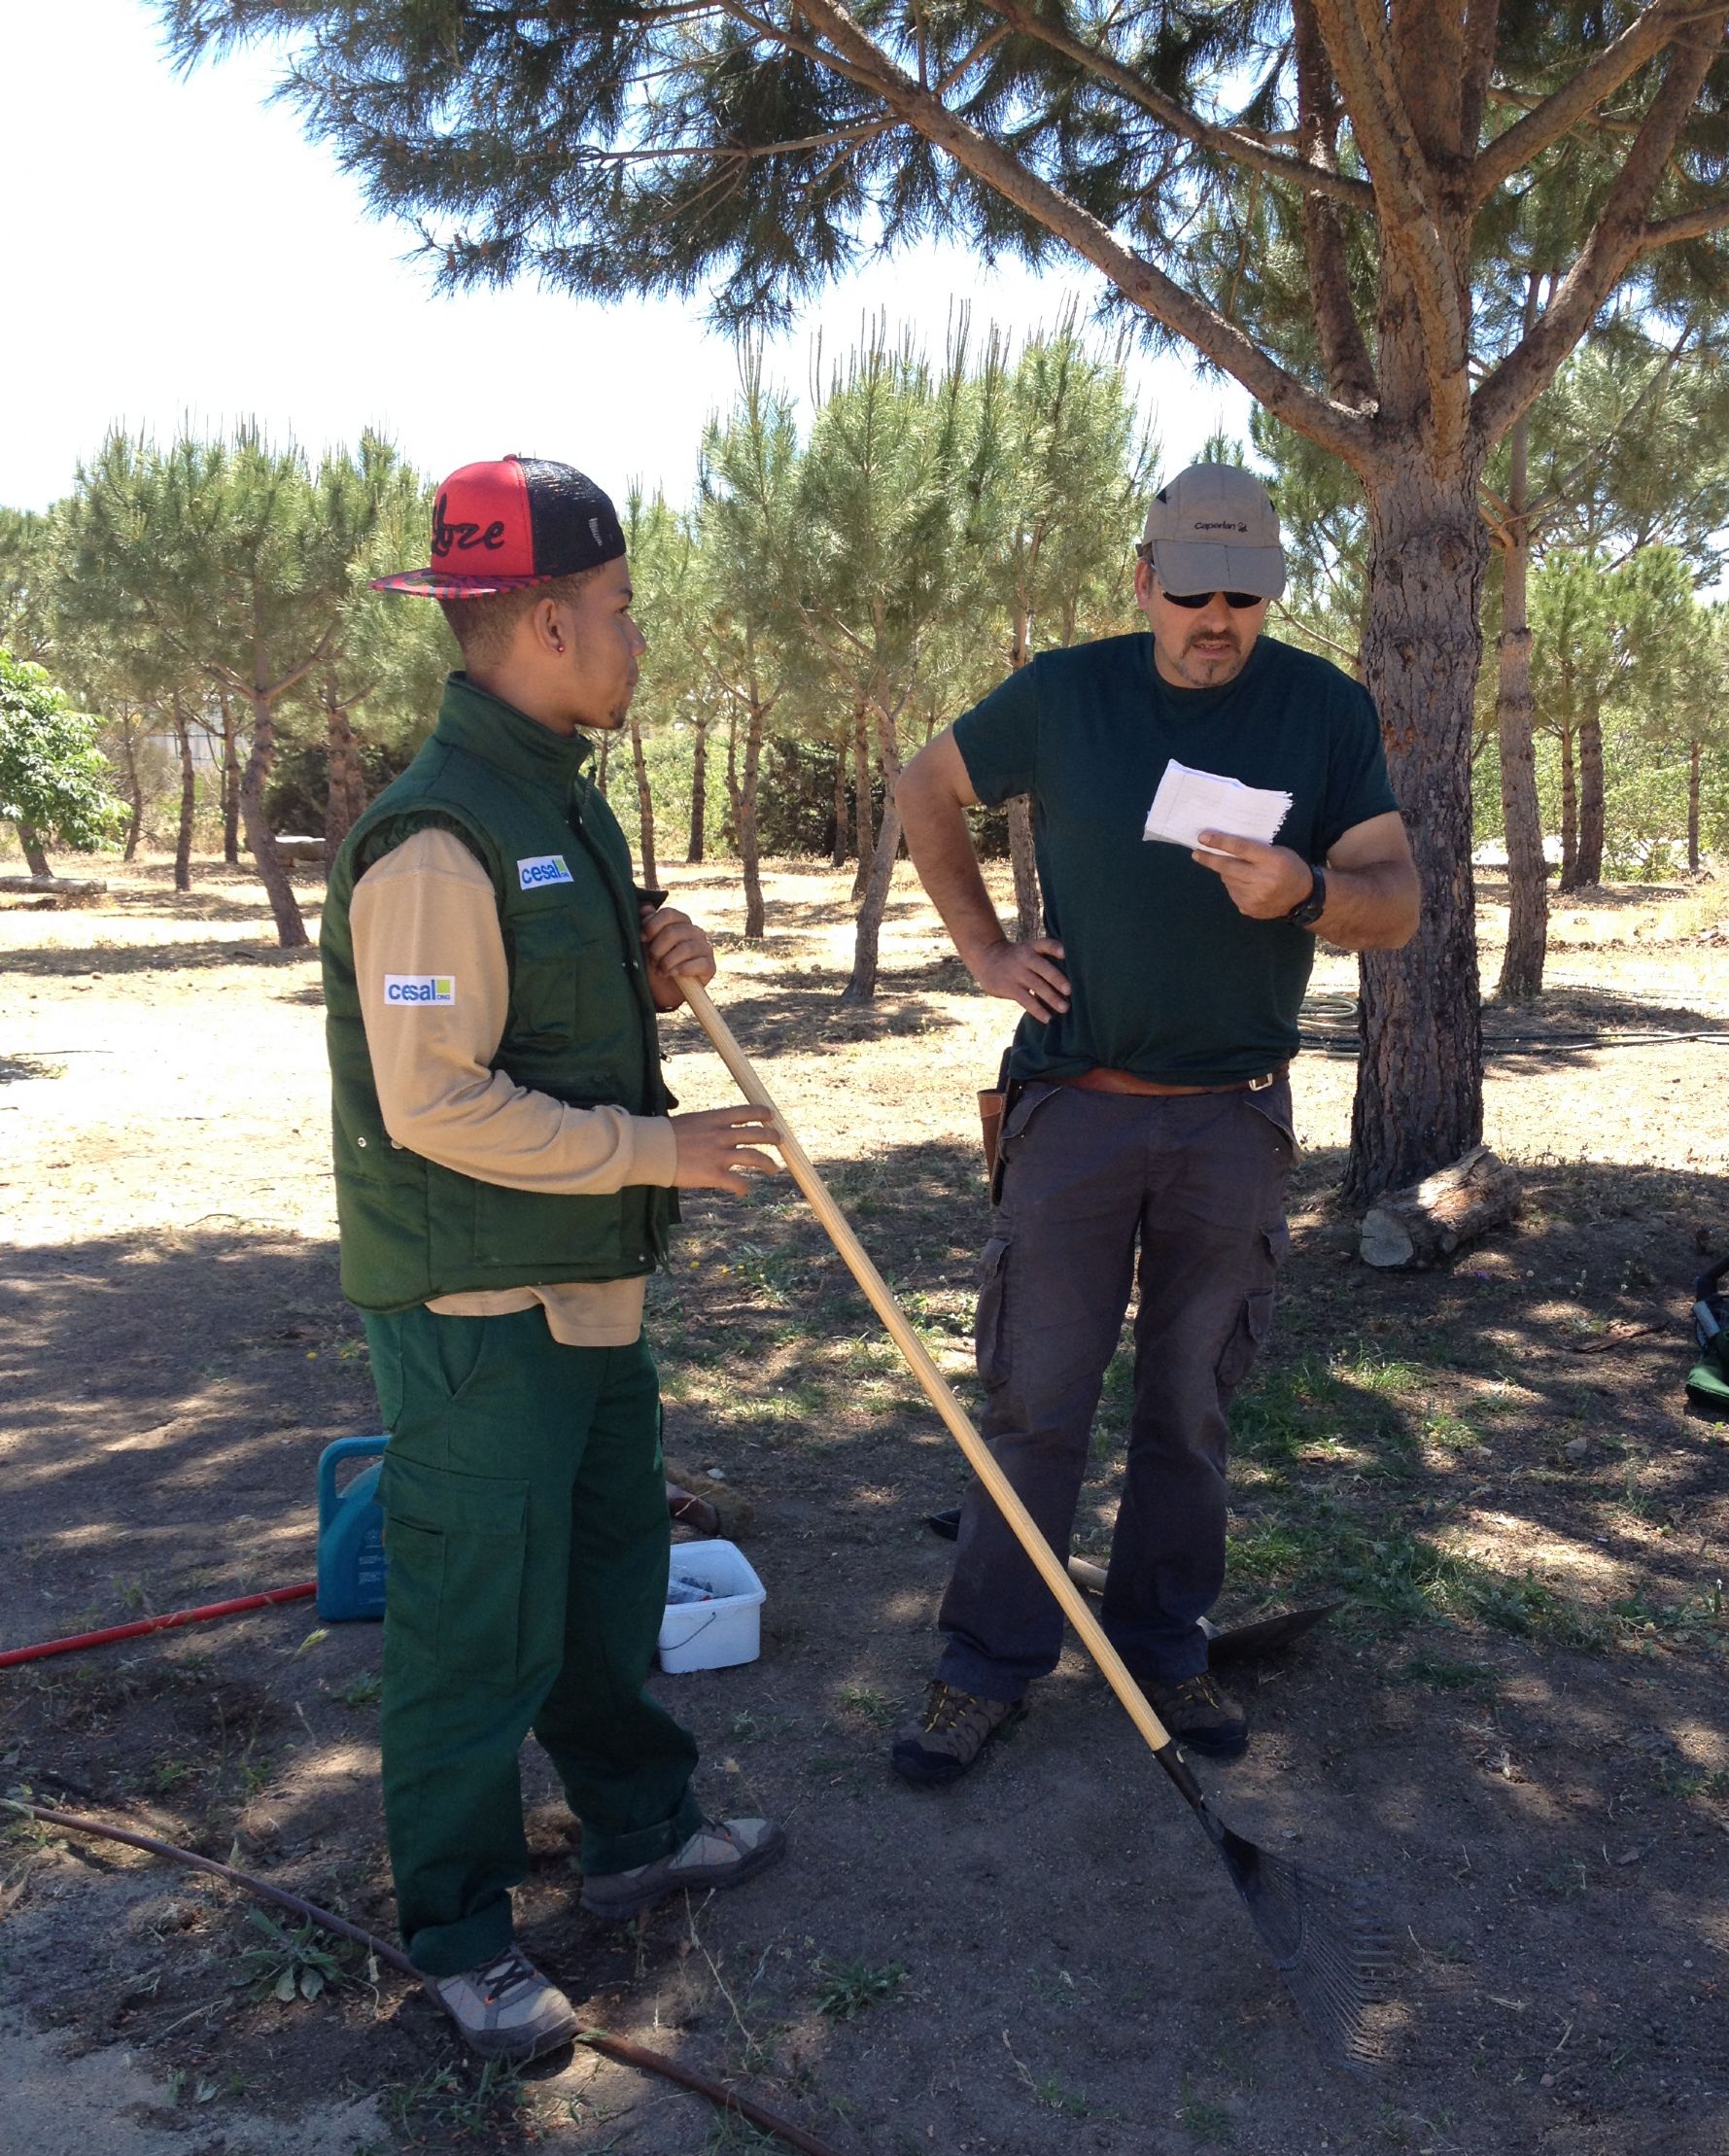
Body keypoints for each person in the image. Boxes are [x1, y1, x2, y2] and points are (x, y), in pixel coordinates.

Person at [320, 456, 787, 2058]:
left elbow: (557, 1006)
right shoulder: (436, 839)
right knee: (476, 1619)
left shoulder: (554, 794)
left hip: (586, 1283)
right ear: (539, 618)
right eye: (622, 612)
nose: (637, 640)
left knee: (608, 1582)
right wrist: (662, 1150)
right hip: (480, 1302)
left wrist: (662, 961)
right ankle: (459, 1928)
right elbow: (435, 1097)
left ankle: (639, 1833)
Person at [888, 463, 1419, 1784]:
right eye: (1193, 592)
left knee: (1191, 1404)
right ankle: (985, 1666)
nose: (1218, 619)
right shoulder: (1066, 693)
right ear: (1145, 578)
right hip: (1077, 1106)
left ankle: (1162, 1648)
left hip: (1234, 1120)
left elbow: (1397, 900)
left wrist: (1302, 888)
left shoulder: (1323, 708)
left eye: (1245, 594)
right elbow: (921, 789)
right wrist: (987, 949)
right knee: (1035, 1397)